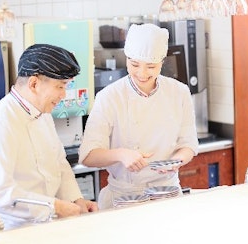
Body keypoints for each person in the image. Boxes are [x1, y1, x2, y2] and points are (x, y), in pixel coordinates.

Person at [0, 43, 98, 229]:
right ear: (34, 83)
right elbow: (1, 194)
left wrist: (76, 200)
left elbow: (59, 164)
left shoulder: (43, 113)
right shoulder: (0, 123)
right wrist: (56, 207)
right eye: (60, 86)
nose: (63, 95)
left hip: (44, 226)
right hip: (8, 231)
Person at [79, 23, 199, 209]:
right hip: (125, 199)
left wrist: (176, 161)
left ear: (162, 62)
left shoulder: (179, 92)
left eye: (151, 67)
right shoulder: (110, 97)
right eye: (134, 64)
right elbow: (88, 156)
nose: (142, 73)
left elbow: (189, 144)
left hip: (168, 195)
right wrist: (121, 155)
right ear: (126, 59)